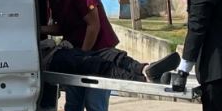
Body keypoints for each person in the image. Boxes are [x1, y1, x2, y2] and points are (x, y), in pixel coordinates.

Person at [42, 39, 180, 83]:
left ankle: (144, 69)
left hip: (62, 49)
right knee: (96, 65)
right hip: (49, 59)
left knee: (109, 53)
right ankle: (142, 78)